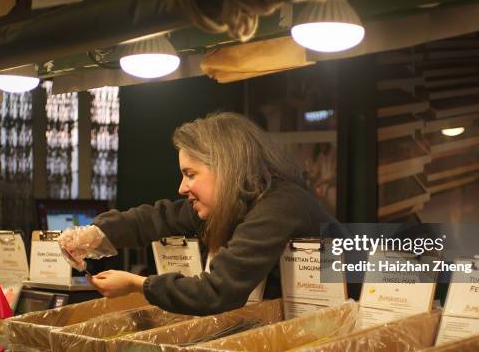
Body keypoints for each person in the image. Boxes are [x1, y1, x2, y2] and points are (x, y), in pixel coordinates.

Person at [60, 112, 337, 316]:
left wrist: (137, 284)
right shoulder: (237, 201)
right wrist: (96, 234)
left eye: (190, 174)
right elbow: (158, 217)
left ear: (227, 169)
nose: (182, 188)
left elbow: (216, 291)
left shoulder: (279, 205)